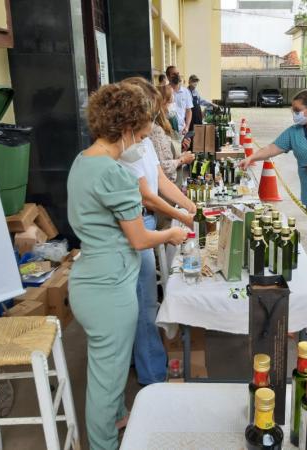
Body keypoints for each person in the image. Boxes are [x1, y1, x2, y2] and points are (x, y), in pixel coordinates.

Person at [67, 82, 187, 450]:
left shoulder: (83, 161)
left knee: (110, 368)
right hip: (109, 287)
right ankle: (104, 443)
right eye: (140, 134)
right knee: (105, 379)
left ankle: (119, 416)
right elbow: (139, 239)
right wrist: (171, 235)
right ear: (125, 129)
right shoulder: (115, 175)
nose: (141, 143)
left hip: (90, 277)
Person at [121, 76, 196, 386]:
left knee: (148, 298)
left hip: (147, 220)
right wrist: (181, 215)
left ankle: (148, 359)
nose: (151, 121)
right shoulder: (125, 147)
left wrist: (190, 206)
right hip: (138, 223)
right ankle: (152, 375)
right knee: (142, 301)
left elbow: (161, 182)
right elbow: (146, 195)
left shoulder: (144, 140)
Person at [238, 89, 307, 250]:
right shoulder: (295, 132)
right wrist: (251, 158)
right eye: (293, 110)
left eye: (297, 110)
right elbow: (273, 147)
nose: (294, 114)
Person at [152, 84, 195, 183]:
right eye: (171, 102)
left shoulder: (166, 123)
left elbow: (166, 153)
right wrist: (182, 160)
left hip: (173, 181)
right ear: (162, 103)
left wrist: (181, 150)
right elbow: (164, 167)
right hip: (166, 185)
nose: (173, 105)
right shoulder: (156, 130)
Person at [166, 65, 193, 135]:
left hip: (182, 131)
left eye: (177, 74)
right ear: (168, 77)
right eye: (174, 74)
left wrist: (187, 127)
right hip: (167, 131)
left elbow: (188, 111)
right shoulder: (165, 92)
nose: (177, 76)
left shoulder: (186, 92)